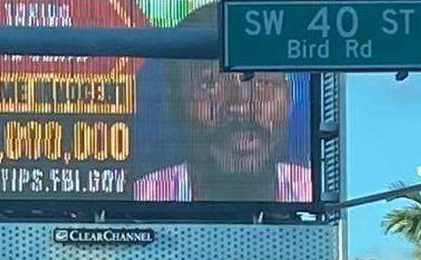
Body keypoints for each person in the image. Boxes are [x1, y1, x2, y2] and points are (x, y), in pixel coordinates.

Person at [133, 63, 310, 203]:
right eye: (210, 85)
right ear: (175, 105)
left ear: (288, 97)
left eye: (263, 83)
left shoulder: (312, 191)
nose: (241, 107)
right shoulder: (141, 198)